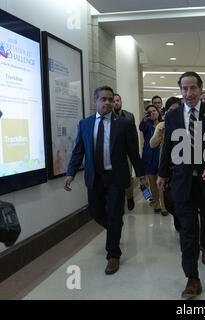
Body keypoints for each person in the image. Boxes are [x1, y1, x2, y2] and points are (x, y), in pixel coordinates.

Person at [157, 72, 205, 298]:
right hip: (183, 182)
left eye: (193, 88)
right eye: (184, 89)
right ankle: (192, 278)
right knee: (187, 232)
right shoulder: (173, 115)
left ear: (200, 89)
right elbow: (167, 146)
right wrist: (162, 175)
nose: (188, 93)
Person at [64, 86, 147, 275]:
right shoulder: (85, 124)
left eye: (111, 99)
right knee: (95, 211)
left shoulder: (124, 124)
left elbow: (133, 152)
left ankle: (113, 255)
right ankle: (114, 226)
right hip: (95, 177)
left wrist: (142, 175)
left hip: (116, 177)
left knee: (115, 213)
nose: (108, 102)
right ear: (96, 101)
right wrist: (70, 173)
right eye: (104, 99)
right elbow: (79, 151)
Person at [150, 97, 182, 219]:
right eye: (171, 110)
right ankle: (166, 207)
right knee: (167, 191)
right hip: (167, 164)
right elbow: (152, 144)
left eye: (177, 110)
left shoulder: (187, 123)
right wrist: (158, 133)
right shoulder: (162, 125)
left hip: (183, 164)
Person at [113, 93, 137, 211]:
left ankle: (130, 197)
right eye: (114, 101)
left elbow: (134, 135)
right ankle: (119, 202)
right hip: (114, 153)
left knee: (127, 176)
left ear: (121, 102)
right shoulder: (108, 117)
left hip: (127, 152)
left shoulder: (129, 116)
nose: (116, 102)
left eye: (118, 100)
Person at [139, 105, 162, 213]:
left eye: (154, 111)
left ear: (158, 112)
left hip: (161, 155)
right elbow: (141, 128)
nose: (152, 113)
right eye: (149, 112)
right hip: (149, 156)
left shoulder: (163, 124)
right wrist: (143, 119)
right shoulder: (146, 125)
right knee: (151, 182)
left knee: (160, 181)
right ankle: (156, 202)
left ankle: (162, 203)